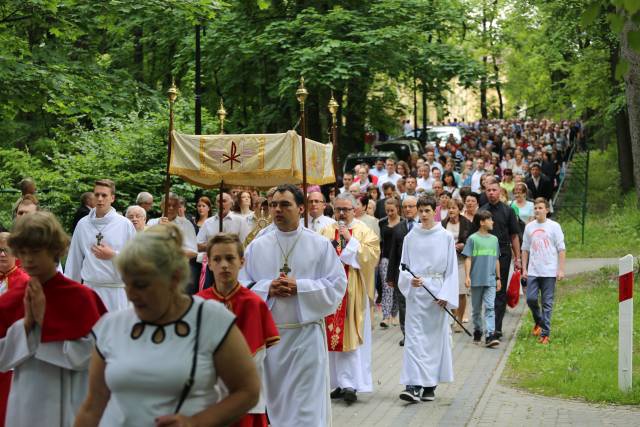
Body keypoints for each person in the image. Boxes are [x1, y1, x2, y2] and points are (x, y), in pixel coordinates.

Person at [74, 224, 260, 426]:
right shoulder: (111, 326)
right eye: (127, 283)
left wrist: (196, 423)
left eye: (142, 285)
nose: (130, 294)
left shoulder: (210, 319)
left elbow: (247, 391)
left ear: (175, 278)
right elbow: (93, 406)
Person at [240, 184, 347, 426]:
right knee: (278, 409)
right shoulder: (257, 246)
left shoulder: (318, 245)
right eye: (274, 205)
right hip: (271, 343)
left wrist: (301, 287)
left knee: (305, 410)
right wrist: (267, 288)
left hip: (306, 337)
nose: (277, 209)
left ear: (301, 208)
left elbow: (337, 286)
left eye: (285, 204)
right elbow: (240, 288)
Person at [0, 212, 107, 427]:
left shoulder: (81, 297)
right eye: (23, 252)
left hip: (72, 397)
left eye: (36, 252)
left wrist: (44, 320)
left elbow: (98, 355)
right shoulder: (13, 297)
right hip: (27, 398)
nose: (28, 259)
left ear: (54, 250)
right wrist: (27, 325)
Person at [196, 233, 279, 427]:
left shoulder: (254, 303)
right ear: (208, 263)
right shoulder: (198, 302)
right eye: (217, 259)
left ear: (242, 262)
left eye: (230, 258)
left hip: (244, 396)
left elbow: (257, 353)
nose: (224, 264)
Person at [397, 196, 458, 403]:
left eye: (427, 210)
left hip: (436, 293)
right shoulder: (410, 237)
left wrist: (446, 295)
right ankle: (413, 385)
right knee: (414, 339)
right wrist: (409, 280)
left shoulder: (446, 237)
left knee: (434, 341)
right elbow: (403, 266)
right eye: (420, 211)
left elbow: (451, 269)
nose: (423, 215)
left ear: (435, 211)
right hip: (416, 295)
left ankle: (430, 383)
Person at [320, 193, 380, 403]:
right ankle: (337, 382)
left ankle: (353, 384)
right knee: (331, 337)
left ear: (355, 210)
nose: (342, 213)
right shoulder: (327, 230)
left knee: (351, 337)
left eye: (346, 209)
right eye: (338, 209)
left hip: (354, 290)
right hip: (331, 290)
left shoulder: (365, 231)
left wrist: (350, 240)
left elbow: (371, 257)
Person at [65, 179, 136, 312]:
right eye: (97, 195)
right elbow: (74, 260)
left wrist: (114, 255)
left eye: (104, 195)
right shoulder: (83, 224)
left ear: (112, 198)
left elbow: (136, 259)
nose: (100, 199)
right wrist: (70, 292)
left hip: (116, 292)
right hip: (89, 290)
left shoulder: (125, 224)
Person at [477, 181, 521, 340]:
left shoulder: (508, 211)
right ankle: (487, 325)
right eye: (488, 190)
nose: (491, 193)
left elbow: (514, 235)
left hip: (502, 252)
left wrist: (518, 258)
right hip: (484, 253)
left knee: (499, 290)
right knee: (485, 290)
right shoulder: (481, 211)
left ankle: (497, 328)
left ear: (499, 191)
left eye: (494, 190)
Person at [522, 198, 566, 345]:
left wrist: (560, 269)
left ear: (547, 210)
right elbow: (525, 249)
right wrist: (524, 269)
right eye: (535, 208)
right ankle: (539, 321)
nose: (537, 210)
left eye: (540, 208)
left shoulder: (554, 226)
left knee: (547, 303)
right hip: (533, 270)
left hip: (549, 271)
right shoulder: (529, 227)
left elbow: (561, 248)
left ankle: (545, 333)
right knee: (531, 299)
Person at [0, 232, 30, 425]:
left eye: (6, 250)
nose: (2, 254)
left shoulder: (25, 282)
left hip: (12, 353)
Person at [463, 210, 501, 347]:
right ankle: (478, 330)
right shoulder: (473, 239)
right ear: (482, 222)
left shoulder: (494, 239)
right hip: (476, 279)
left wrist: (498, 278)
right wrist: (467, 276)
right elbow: (468, 258)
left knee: (490, 307)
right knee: (476, 309)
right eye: (490, 220)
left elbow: (496, 259)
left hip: (490, 280)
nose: (492, 222)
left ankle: (490, 335)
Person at [197, 192, 251, 289]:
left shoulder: (240, 221)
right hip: (212, 266)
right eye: (218, 201)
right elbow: (198, 244)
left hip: (233, 264)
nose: (221, 204)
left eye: (224, 201)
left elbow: (247, 244)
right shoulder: (208, 222)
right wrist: (215, 245)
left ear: (231, 203)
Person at [386, 196, 420, 346]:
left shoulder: (423, 226)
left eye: (411, 206)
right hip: (402, 275)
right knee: (403, 305)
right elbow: (393, 253)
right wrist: (390, 277)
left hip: (420, 275)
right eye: (405, 207)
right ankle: (407, 335)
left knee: (418, 304)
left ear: (417, 208)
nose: (408, 209)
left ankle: (419, 334)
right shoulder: (399, 228)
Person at [441, 199, 472, 331]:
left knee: (461, 291)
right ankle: (454, 317)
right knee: (449, 291)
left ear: (459, 209)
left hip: (461, 260)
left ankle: (460, 319)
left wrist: (463, 245)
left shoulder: (467, 223)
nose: (451, 210)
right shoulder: (443, 224)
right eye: (449, 208)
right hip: (446, 261)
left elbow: (471, 242)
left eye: (453, 208)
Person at [378, 197, 402, 328]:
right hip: (386, 258)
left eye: (392, 210)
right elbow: (379, 242)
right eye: (387, 210)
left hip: (399, 259)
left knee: (398, 286)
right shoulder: (381, 223)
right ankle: (386, 316)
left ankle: (395, 314)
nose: (390, 213)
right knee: (387, 287)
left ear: (397, 209)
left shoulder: (403, 223)